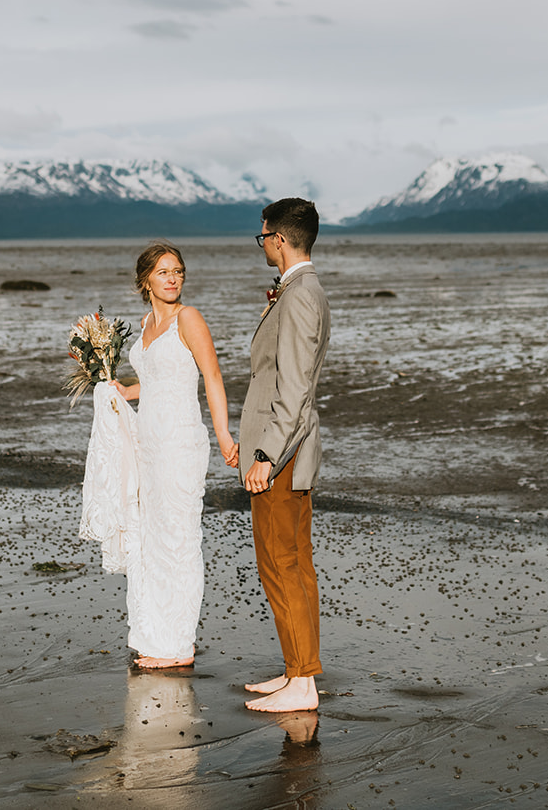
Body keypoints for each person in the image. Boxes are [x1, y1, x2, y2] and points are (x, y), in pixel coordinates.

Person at [110, 241, 238, 668]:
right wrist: (127, 390)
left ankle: (179, 645)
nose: (173, 278)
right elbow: (160, 378)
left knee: (180, 540)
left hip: (180, 444)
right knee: (152, 540)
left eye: (178, 271)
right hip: (148, 444)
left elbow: (212, 377)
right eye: (164, 272)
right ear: (146, 279)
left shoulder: (190, 319)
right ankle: (158, 636)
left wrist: (223, 434)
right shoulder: (146, 322)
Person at [238, 198, 331, 712]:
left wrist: (265, 456)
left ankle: (303, 682)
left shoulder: (298, 296)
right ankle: (297, 670)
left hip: (283, 451)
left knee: (284, 563)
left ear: (278, 238)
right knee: (289, 563)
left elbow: (293, 389)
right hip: (289, 446)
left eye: (263, 237)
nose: (264, 245)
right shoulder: (301, 291)